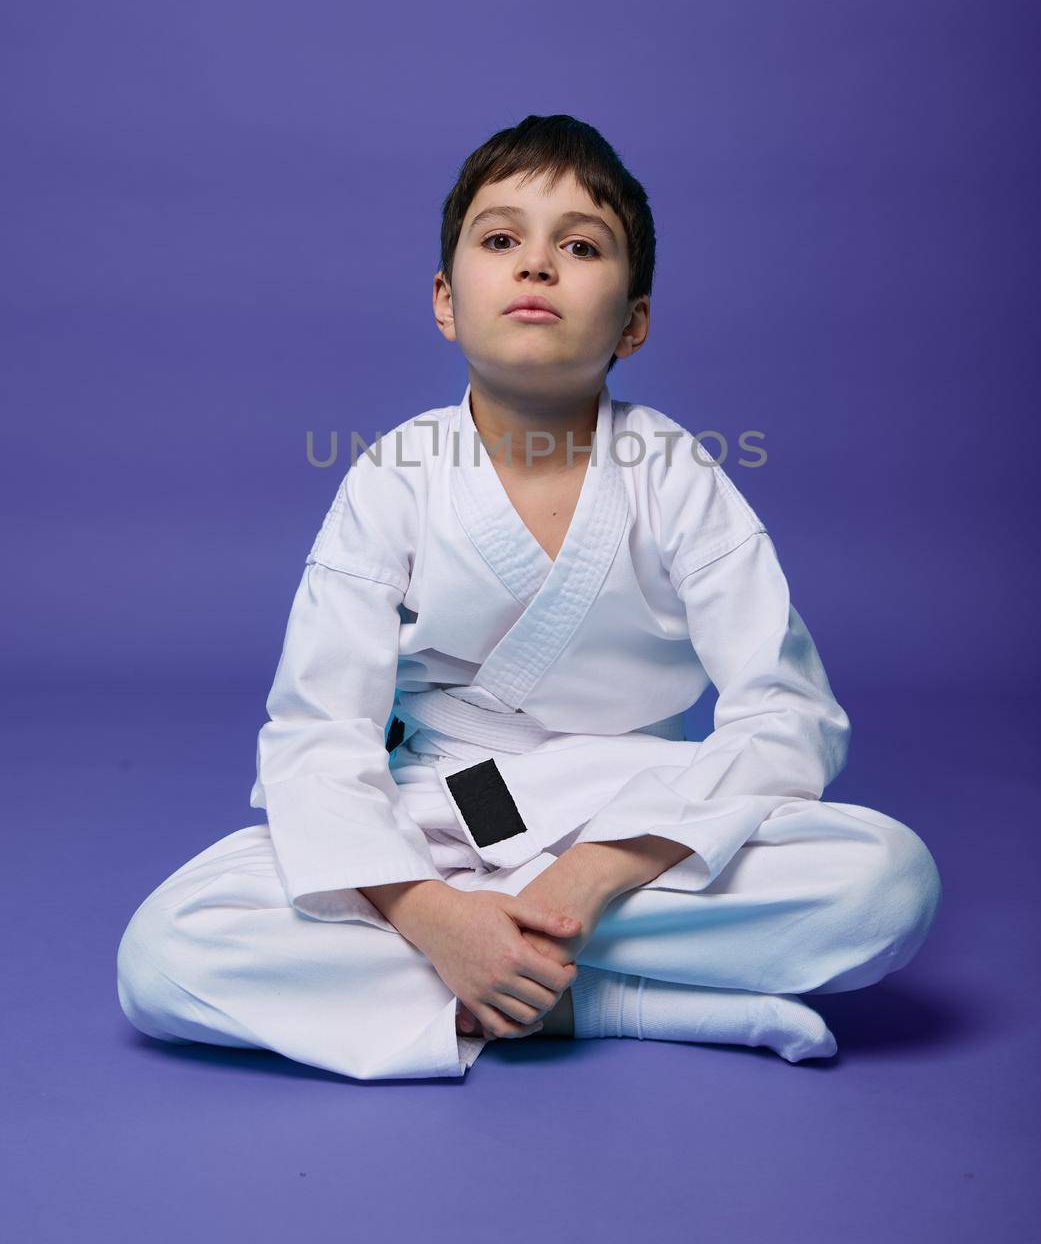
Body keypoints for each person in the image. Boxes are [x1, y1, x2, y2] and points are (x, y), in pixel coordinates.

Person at [116, 113, 943, 1082]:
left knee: (886, 883)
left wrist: (594, 870)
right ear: (444, 299)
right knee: (169, 949)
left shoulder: (676, 474)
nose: (537, 265)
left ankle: (511, 978)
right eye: (502, 239)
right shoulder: (396, 475)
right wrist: (427, 911)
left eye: (581, 246)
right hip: (436, 811)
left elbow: (785, 710)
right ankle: (595, 999)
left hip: (628, 812)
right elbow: (319, 729)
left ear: (633, 318)